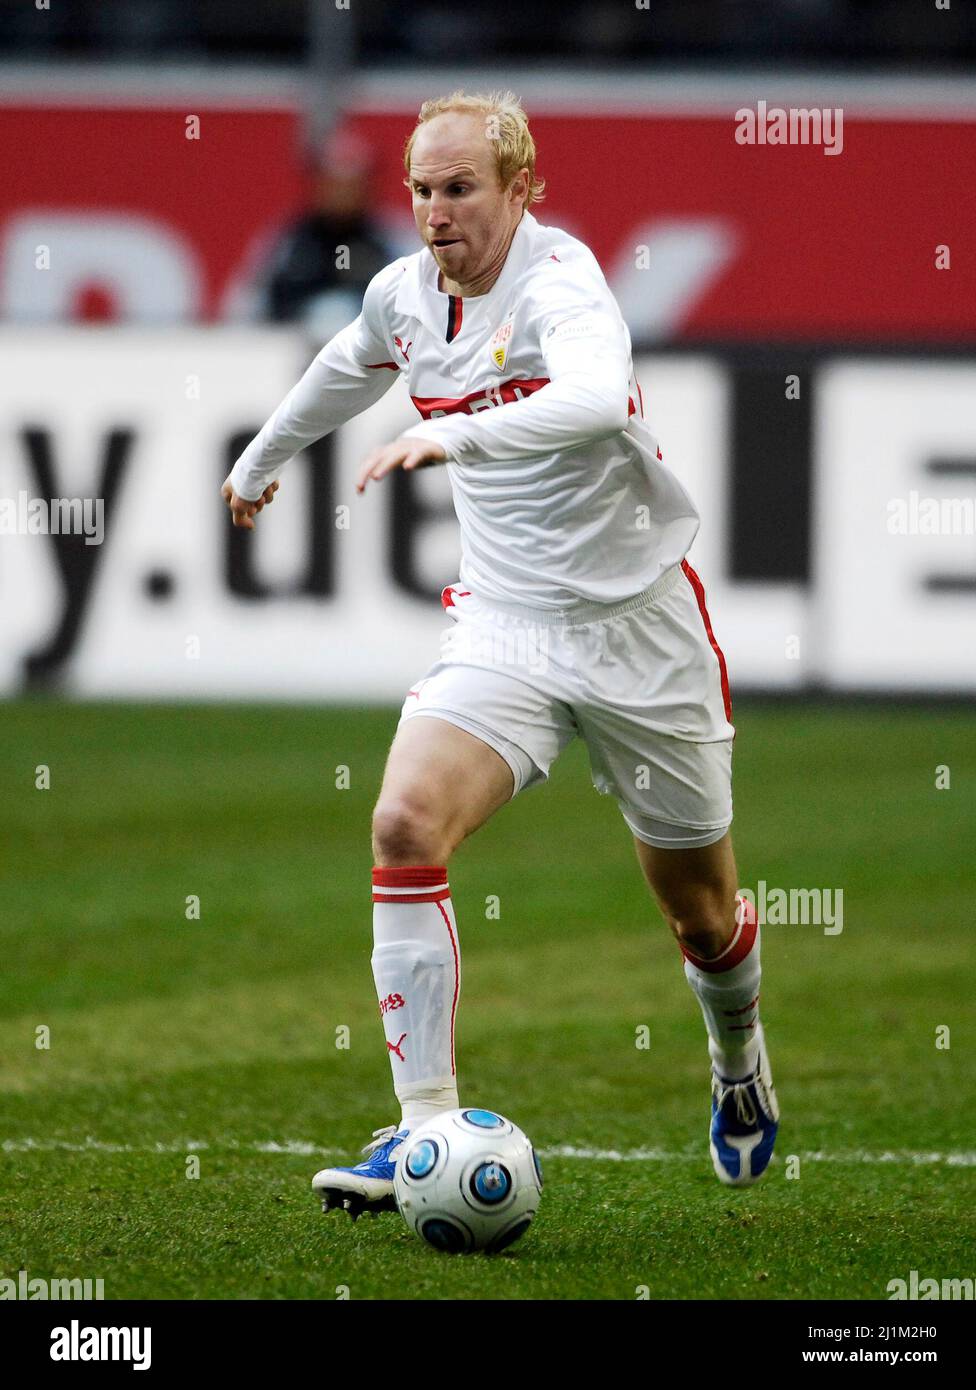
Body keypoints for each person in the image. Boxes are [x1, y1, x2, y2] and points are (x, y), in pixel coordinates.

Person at [221, 89, 779, 1218]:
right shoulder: (403, 292)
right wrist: (261, 458)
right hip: (507, 628)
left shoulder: (563, 283)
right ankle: (421, 1125)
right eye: (423, 189)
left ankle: (738, 1067)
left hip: (639, 634)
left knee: (701, 917)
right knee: (401, 821)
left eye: (462, 187)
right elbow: (348, 357)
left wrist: (453, 427)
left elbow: (589, 398)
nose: (436, 212)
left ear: (523, 188)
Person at [253, 126, 395, 337]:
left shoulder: (393, 239)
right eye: (333, 182)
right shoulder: (286, 242)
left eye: (351, 184)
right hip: (294, 349)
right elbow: (250, 306)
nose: (342, 194)